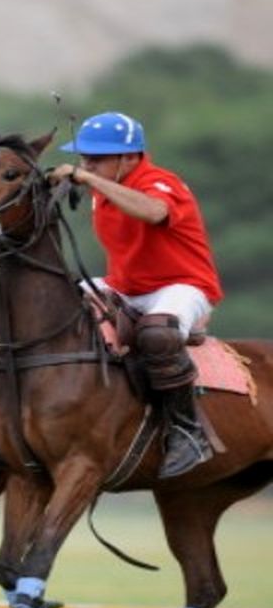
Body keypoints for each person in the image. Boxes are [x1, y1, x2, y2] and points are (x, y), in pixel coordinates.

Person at [49, 111, 223, 478]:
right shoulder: (103, 184)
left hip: (182, 285)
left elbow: (154, 211)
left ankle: (187, 433)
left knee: (158, 333)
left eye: (97, 157)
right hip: (126, 286)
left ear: (131, 157)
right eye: (84, 157)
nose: (87, 164)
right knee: (51, 306)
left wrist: (85, 177)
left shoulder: (161, 182)